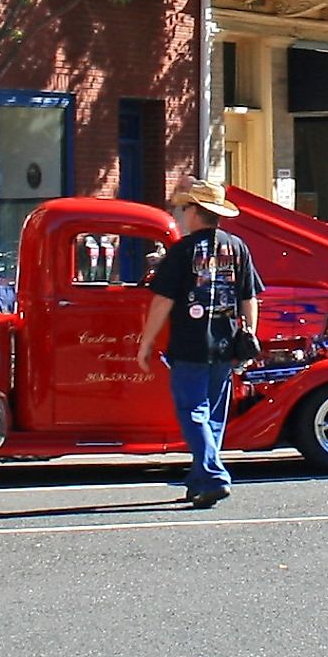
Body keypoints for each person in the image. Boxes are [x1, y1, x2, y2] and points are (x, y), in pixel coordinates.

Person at [134, 180, 260, 508]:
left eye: (185, 208)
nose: (182, 214)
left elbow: (162, 300)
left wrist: (146, 342)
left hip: (190, 343)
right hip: (226, 342)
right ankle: (200, 480)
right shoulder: (238, 247)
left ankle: (214, 476)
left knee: (192, 411)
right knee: (213, 415)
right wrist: (249, 334)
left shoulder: (183, 250)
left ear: (195, 212)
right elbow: (249, 298)